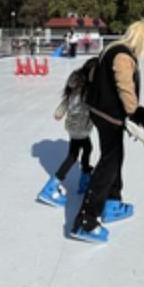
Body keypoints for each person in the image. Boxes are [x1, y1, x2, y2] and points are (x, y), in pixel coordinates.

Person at [70, 20, 144, 244]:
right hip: (109, 115)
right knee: (109, 162)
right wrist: (134, 112)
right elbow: (124, 86)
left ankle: (112, 201)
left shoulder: (113, 48)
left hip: (102, 112)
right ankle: (86, 220)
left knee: (115, 157)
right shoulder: (123, 55)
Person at [36, 59, 96, 207]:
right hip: (80, 127)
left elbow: (66, 102)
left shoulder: (76, 87)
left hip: (73, 126)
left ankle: (84, 177)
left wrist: (59, 112)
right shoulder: (86, 90)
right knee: (73, 156)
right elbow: (91, 107)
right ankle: (51, 186)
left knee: (86, 148)